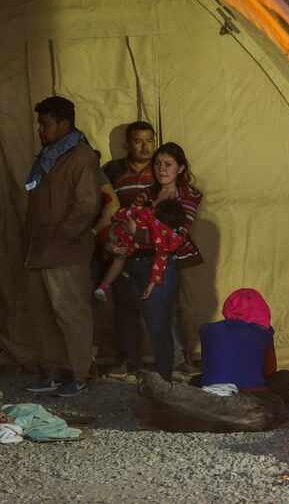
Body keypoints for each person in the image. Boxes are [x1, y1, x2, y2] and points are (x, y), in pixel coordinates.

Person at [22, 97, 100, 397]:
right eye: (40, 124)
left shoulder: (80, 157)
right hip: (39, 250)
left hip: (65, 252)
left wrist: (62, 237)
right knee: (42, 315)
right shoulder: (47, 156)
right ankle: (51, 370)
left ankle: (78, 372)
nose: (40, 130)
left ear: (64, 124)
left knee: (71, 314)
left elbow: (87, 205)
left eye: (45, 124)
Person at [118, 142, 203, 382]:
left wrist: (138, 233)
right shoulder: (147, 194)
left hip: (161, 264)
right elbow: (127, 221)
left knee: (158, 323)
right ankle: (156, 373)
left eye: (168, 164)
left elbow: (176, 236)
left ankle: (165, 376)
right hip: (135, 260)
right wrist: (125, 237)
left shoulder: (189, 195)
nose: (161, 169)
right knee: (142, 319)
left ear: (180, 168)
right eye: (157, 164)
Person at [102, 120, 157, 375]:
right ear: (127, 144)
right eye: (138, 141)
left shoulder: (162, 168)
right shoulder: (113, 171)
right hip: (123, 249)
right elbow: (104, 207)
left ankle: (155, 360)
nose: (145, 147)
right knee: (124, 307)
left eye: (149, 140)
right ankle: (126, 359)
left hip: (153, 248)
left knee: (156, 305)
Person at [94, 199, 187, 301]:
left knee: (120, 258)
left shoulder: (166, 239)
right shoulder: (145, 213)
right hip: (117, 234)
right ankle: (104, 286)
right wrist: (117, 220)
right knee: (118, 258)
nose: (160, 232)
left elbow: (160, 261)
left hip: (128, 247)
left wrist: (151, 285)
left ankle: (104, 286)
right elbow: (123, 213)